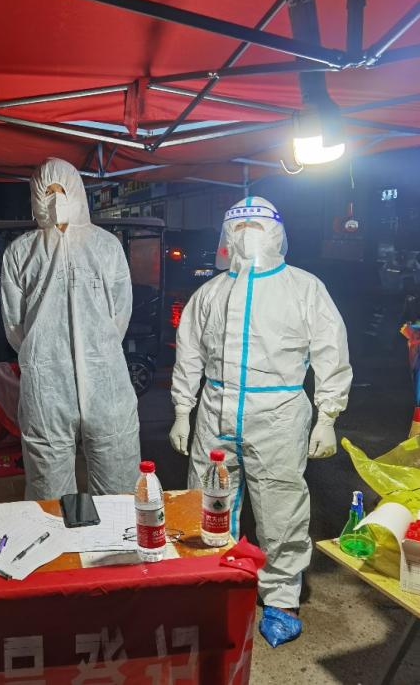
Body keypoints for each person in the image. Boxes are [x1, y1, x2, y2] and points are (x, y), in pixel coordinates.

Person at [169, 196, 352, 646]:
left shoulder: (304, 288)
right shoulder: (210, 293)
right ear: (226, 237)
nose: (247, 234)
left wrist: (327, 415)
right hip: (214, 409)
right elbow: (189, 355)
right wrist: (181, 411)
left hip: (279, 413)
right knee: (209, 501)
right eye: (238, 227)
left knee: (280, 506)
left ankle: (281, 595)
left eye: (257, 226)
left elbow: (330, 352)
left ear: (276, 234)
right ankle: (216, 580)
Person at [0, 157, 140, 500]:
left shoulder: (105, 246)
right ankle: (56, 537)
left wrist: (98, 349)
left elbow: (120, 312)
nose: (54, 199)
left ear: (76, 192)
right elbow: (14, 324)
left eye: (61, 191)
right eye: (46, 193)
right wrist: (43, 354)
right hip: (46, 385)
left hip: (106, 381)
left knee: (118, 480)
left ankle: (115, 536)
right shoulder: (21, 252)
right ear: (35, 199)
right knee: (49, 488)